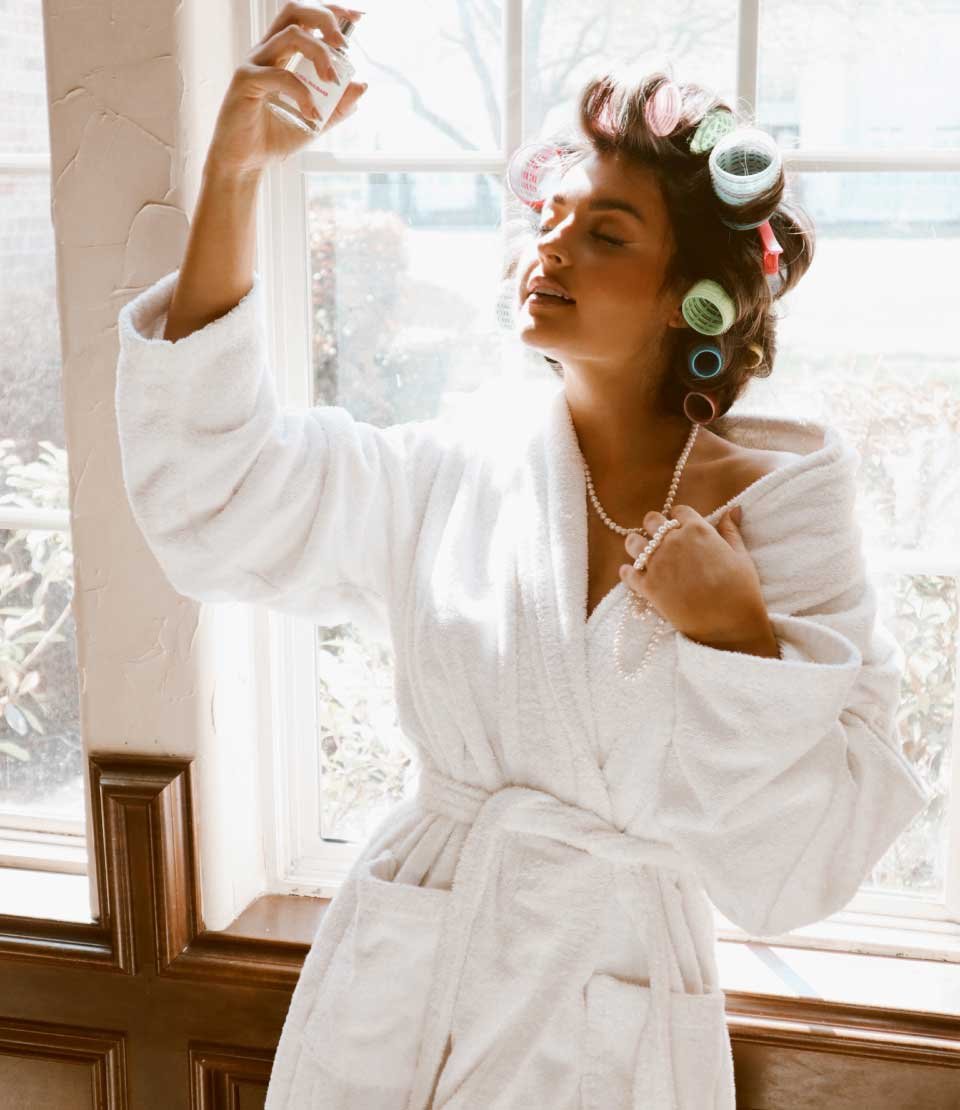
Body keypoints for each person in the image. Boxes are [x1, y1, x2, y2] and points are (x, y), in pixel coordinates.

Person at [114, 6, 932, 1107]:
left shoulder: (782, 510)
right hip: (410, 982)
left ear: (693, 296)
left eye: (608, 233)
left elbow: (803, 867)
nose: (549, 246)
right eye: (549, 215)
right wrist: (235, 174)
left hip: (614, 1016)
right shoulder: (453, 472)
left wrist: (737, 638)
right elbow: (221, 496)